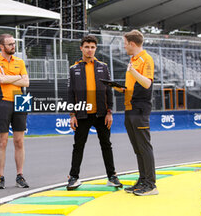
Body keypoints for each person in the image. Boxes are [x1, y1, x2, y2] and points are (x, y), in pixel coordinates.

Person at [66, 35, 122, 190]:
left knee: (106, 145)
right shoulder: (74, 68)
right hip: (82, 114)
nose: (89, 50)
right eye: (87, 47)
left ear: (95, 49)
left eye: (92, 47)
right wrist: (72, 115)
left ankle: (112, 176)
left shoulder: (103, 66)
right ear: (81, 48)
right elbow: (70, 93)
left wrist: (109, 112)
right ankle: (73, 177)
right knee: (78, 146)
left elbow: (109, 90)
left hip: (102, 114)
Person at [116, 30, 159, 196]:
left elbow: (147, 83)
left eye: (125, 43)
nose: (124, 46)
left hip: (140, 108)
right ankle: (143, 180)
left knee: (144, 146)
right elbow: (134, 85)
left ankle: (151, 184)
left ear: (132, 44)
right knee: (137, 148)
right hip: (129, 107)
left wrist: (133, 72)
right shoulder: (132, 60)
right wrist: (120, 88)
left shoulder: (145, 59)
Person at [0, 34, 30, 189]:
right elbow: (1, 80)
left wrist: (10, 77)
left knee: (19, 141)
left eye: (14, 43)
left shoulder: (19, 61)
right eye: (10, 44)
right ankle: (0, 177)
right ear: (2, 46)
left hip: (21, 100)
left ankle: (20, 176)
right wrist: (17, 77)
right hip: (3, 102)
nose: (13, 46)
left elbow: (27, 81)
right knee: (2, 141)